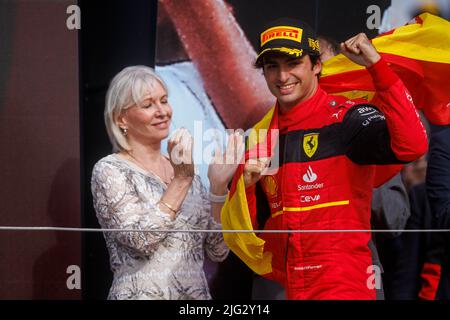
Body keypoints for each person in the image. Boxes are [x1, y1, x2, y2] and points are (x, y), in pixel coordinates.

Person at [237, 18, 428, 300]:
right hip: (289, 287)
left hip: (343, 284)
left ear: (316, 66)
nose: (282, 76)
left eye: (293, 64)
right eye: (272, 67)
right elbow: (249, 232)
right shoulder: (261, 137)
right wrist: (245, 187)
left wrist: (377, 67)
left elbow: (413, 145)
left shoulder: (348, 117)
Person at [90, 65, 243, 300]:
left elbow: (218, 250)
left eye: (164, 100)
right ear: (121, 118)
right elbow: (140, 241)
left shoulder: (184, 171)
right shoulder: (110, 170)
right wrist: (181, 180)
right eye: (148, 104)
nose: (162, 112)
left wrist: (218, 187)